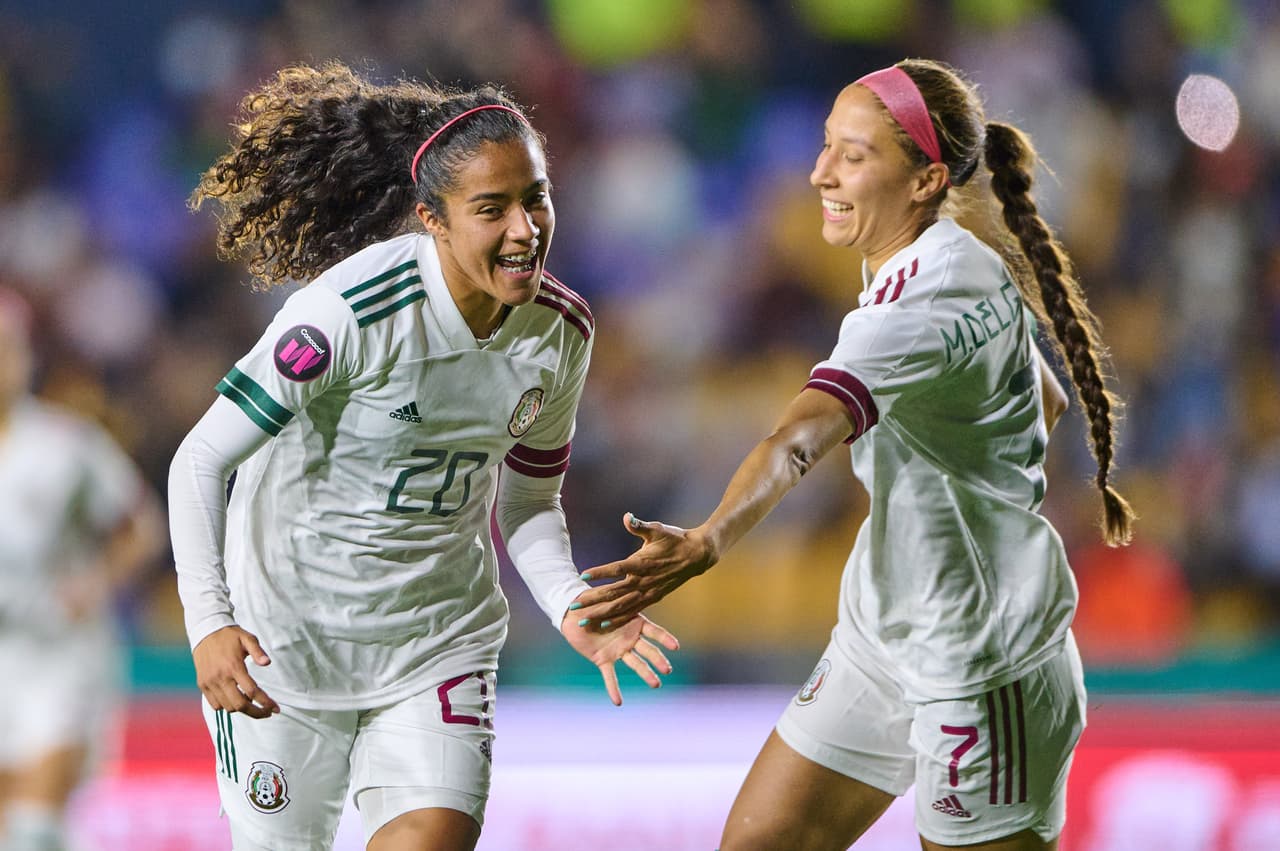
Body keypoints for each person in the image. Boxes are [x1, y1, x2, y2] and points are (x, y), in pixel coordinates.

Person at [572, 59, 1136, 850]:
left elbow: (798, 439)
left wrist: (708, 540)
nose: (819, 173)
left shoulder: (916, 302)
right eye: (825, 146)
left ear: (924, 180)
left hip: (981, 668)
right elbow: (1044, 397)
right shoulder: (961, 259)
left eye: (853, 155)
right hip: (884, 634)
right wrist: (970, 480)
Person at [168, 62, 678, 851]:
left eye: (535, 197)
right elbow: (200, 458)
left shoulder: (561, 331)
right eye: (492, 209)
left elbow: (530, 502)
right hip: (287, 647)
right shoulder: (348, 314)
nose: (525, 229)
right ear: (431, 220)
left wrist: (569, 601)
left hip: (437, 648)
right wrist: (209, 624)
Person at [0, 287, 166, 851]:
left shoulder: (64, 445)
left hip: (59, 655)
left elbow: (140, 528)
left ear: (26, 356)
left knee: (34, 818)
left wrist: (93, 584)